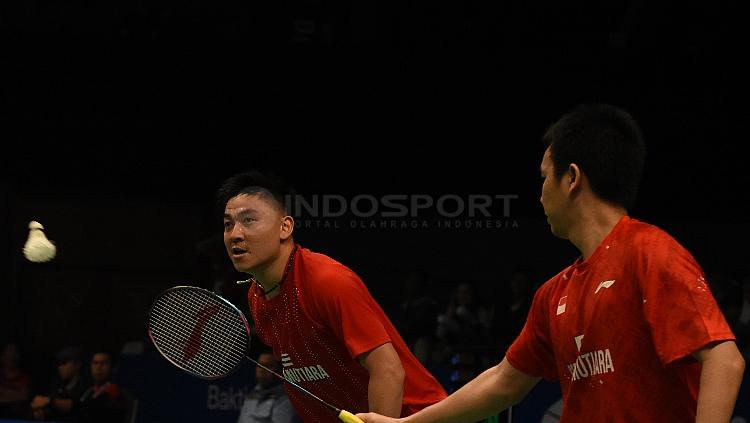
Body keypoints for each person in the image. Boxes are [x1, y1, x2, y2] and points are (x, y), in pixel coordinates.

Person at [356, 103, 746, 423]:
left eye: (544, 177)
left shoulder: (650, 252)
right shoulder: (555, 293)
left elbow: (724, 360)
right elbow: (503, 382)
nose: (540, 194)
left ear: (571, 178)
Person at [217, 171, 447, 423]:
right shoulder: (257, 297)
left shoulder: (326, 281)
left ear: (285, 227)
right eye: (228, 224)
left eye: (249, 220)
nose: (235, 234)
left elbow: (388, 370)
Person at [237, 350, 298, 423]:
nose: (262, 370)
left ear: (278, 370)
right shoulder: (253, 393)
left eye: (267, 366)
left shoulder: (285, 398)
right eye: (259, 365)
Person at [30, 346, 88, 421]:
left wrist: (48, 401)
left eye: (64, 363)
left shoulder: (86, 386)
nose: (60, 367)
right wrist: (40, 412)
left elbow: (78, 407)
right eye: (59, 364)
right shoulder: (59, 386)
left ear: (77, 365)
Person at [77, 351, 128, 423]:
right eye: (95, 363)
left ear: (113, 368)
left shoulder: (113, 389)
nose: (98, 367)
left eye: (104, 363)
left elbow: (93, 408)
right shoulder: (89, 389)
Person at [0, 341, 32, 418]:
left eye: (15, 352)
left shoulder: (24, 377)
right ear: (2, 356)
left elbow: (24, 397)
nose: (13, 356)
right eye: (10, 351)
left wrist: (2, 392)